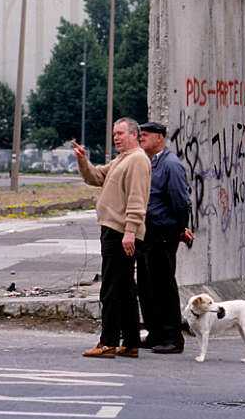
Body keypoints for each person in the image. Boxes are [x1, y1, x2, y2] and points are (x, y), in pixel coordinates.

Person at [74, 117, 151, 359]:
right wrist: (83, 161)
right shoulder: (122, 159)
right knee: (126, 288)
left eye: (120, 133)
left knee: (110, 288)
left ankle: (107, 342)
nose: (116, 137)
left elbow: (137, 200)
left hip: (120, 232)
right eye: (114, 134)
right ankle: (130, 342)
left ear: (134, 134)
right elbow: (96, 177)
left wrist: (130, 231)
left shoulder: (137, 160)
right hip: (116, 230)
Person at [137, 121, 193, 354]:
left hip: (163, 233)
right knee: (147, 285)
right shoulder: (149, 162)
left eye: (146, 135)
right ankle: (155, 332)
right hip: (147, 233)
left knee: (164, 285)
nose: (142, 139)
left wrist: (179, 229)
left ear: (160, 138)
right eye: (140, 135)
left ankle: (173, 336)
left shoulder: (170, 164)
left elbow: (181, 201)